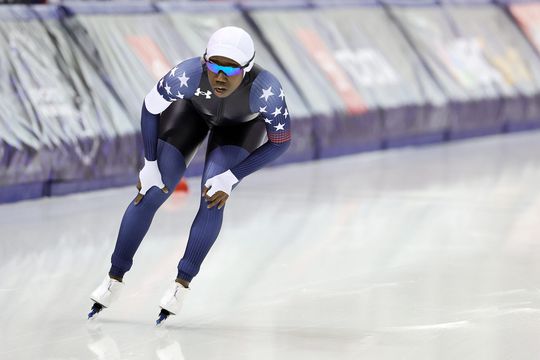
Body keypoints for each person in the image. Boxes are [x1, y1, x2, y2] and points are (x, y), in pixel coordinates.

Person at [88, 26, 291, 325]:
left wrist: (233, 176)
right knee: (152, 190)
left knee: (213, 195)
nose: (220, 77)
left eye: (230, 70)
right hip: (191, 113)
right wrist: (149, 162)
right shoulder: (187, 74)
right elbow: (149, 108)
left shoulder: (267, 92)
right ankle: (114, 277)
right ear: (204, 61)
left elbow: (281, 141)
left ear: (246, 71)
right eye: (214, 66)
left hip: (241, 127)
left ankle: (181, 284)